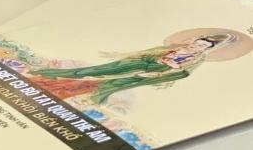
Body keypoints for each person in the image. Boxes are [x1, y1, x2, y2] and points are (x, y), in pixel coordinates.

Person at [27, 34, 235, 105]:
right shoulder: (174, 47)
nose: (198, 46)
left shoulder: (196, 59)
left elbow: (182, 72)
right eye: (198, 42)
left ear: (206, 49)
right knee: (98, 70)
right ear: (194, 40)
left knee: (114, 83)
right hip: (142, 62)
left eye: (203, 46)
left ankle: (92, 98)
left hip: (156, 71)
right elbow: (148, 52)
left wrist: (156, 73)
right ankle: (50, 74)